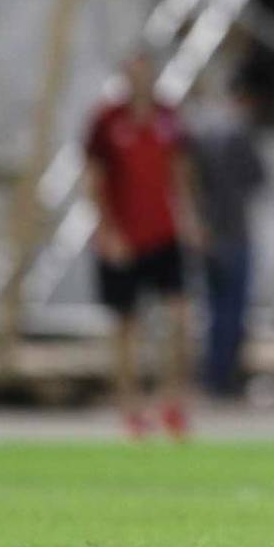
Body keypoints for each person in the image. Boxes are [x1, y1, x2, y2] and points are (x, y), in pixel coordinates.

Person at [85, 50, 204, 440]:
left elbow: (179, 172)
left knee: (179, 318)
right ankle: (130, 407)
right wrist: (106, 231)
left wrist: (189, 220)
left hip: (163, 234)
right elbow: (94, 179)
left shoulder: (167, 117)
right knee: (126, 325)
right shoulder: (107, 121)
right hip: (124, 237)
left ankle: (171, 401)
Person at [185, 74, 266, 396]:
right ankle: (225, 377)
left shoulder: (199, 136)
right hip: (234, 234)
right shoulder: (238, 134)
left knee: (213, 310)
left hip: (208, 232)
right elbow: (258, 179)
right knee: (232, 310)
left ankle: (213, 376)